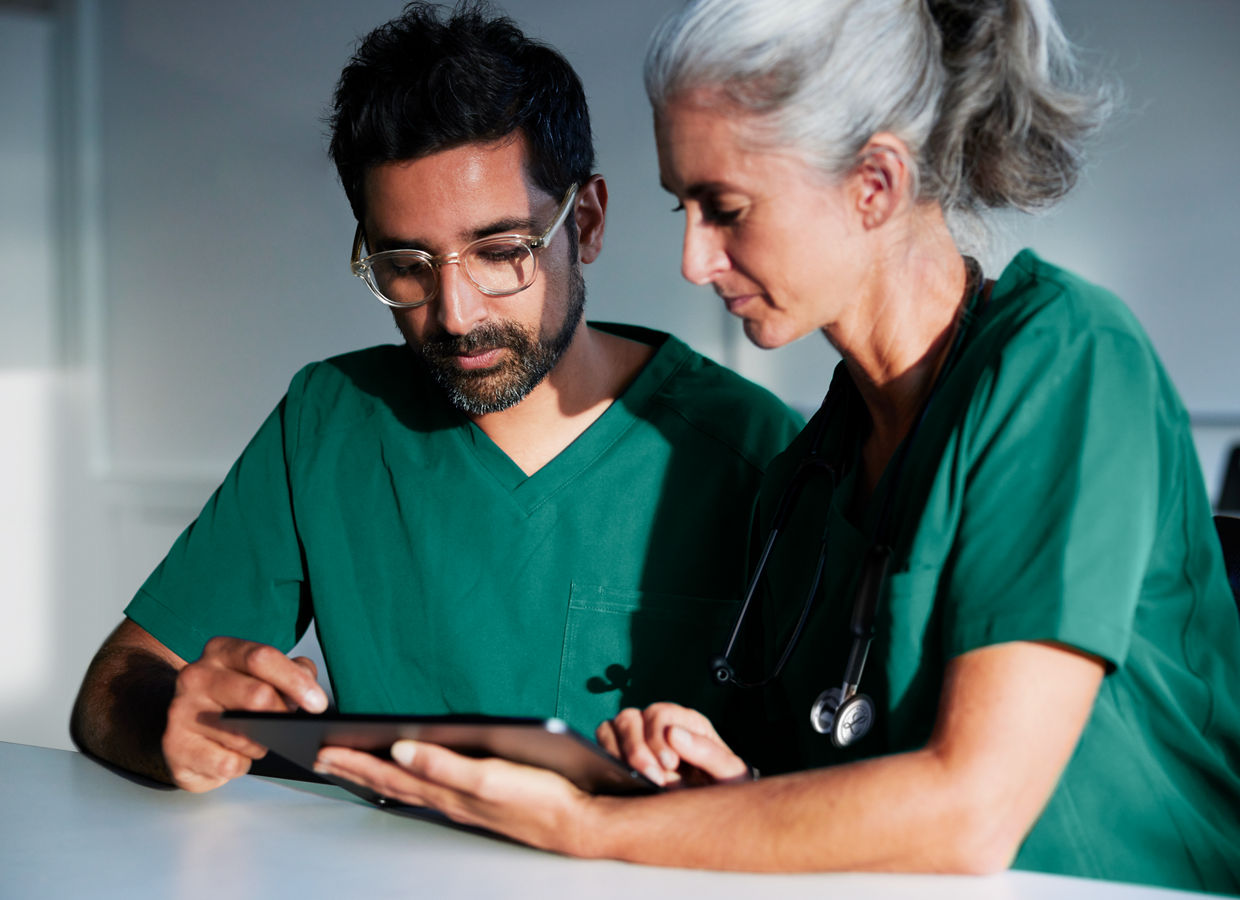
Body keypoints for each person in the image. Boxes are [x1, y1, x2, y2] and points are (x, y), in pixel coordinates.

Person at [310, 0, 1240, 893]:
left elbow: (971, 810)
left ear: (873, 185)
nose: (694, 260)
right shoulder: (806, 472)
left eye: (726, 208)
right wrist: (734, 793)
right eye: (684, 209)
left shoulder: (1067, 360)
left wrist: (589, 827)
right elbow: (854, 795)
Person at [69, 2, 801, 795]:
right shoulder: (331, 421)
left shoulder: (759, 452)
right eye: (406, 264)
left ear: (584, 221)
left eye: (499, 251)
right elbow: (115, 686)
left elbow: (828, 780)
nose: (455, 314)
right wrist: (176, 719)